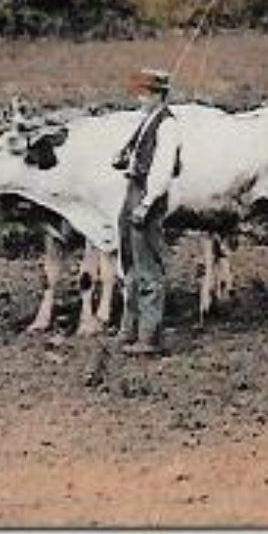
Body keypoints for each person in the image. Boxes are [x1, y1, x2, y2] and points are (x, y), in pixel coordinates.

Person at [113, 68, 181, 355]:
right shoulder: (146, 121)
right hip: (132, 190)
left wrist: (146, 203)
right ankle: (129, 328)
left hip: (145, 196)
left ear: (159, 95)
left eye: (146, 92)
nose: (141, 97)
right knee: (129, 263)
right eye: (140, 91)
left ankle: (148, 336)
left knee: (147, 269)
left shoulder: (167, 125)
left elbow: (163, 169)